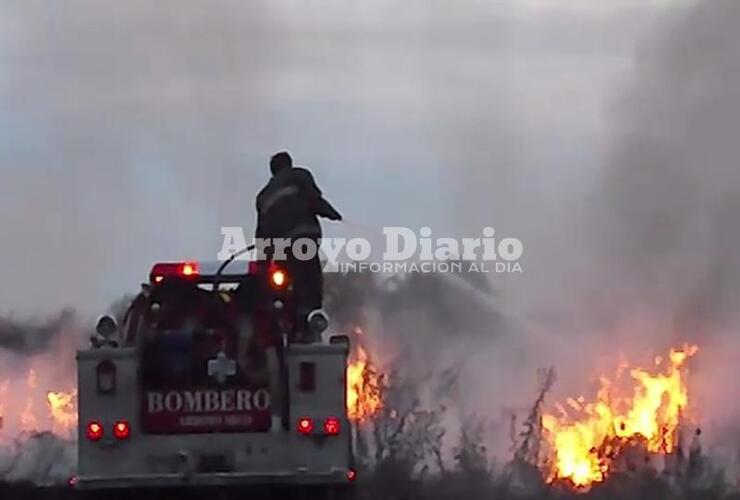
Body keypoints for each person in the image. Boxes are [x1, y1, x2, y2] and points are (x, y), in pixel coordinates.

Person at [255, 151, 342, 330]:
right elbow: (314, 200)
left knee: (286, 278)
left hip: (281, 246)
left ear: (272, 171)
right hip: (305, 236)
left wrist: (262, 266)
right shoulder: (300, 175)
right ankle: (311, 317)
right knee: (310, 275)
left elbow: (262, 234)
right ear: (289, 164)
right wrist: (331, 213)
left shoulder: (262, 196)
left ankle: (288, 314)